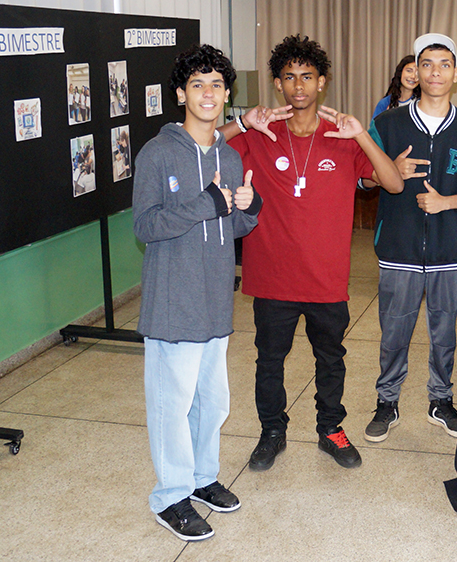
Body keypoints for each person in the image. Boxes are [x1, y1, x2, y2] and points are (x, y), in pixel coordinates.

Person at [219, 35, 403, 472]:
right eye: (289, 77)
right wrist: (242, 123)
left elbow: (394, 183)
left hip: (325, 277)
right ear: (278, 84)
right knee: (270, 361)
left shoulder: (343, 137)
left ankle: (331, 428)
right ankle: (272, 431)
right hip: (272, 275)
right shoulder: (259, 135)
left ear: (322, 82)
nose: (298, 85)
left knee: (330, 359)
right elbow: (199, 147)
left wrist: (362, 135)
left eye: (307, 76)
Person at [133, 43, 261, 541]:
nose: (208, 93)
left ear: (227, 94)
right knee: (173, 404)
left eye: (216, 85)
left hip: (214, 302)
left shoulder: (229, 156)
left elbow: (234, 227)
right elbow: (146, 226)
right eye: (197, 84)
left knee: (213, 402)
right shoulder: (158, 152)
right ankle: (170, 496)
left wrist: (248, 206)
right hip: (173, 303)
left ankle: (203, 478)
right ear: (180, 94)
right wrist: (205, 203)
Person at [365, 33, 457, 442]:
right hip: (398, 245)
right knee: (393, 332)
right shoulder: (388, 123)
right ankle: (387, 400)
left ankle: (441, 399)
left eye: (444, 65)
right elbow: (361, 175)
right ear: (416, 72)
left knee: (445, 332)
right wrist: (387, 172)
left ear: (456, 74)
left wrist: (449, 202)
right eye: (427, 64)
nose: (435, 72)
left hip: (448, 248)